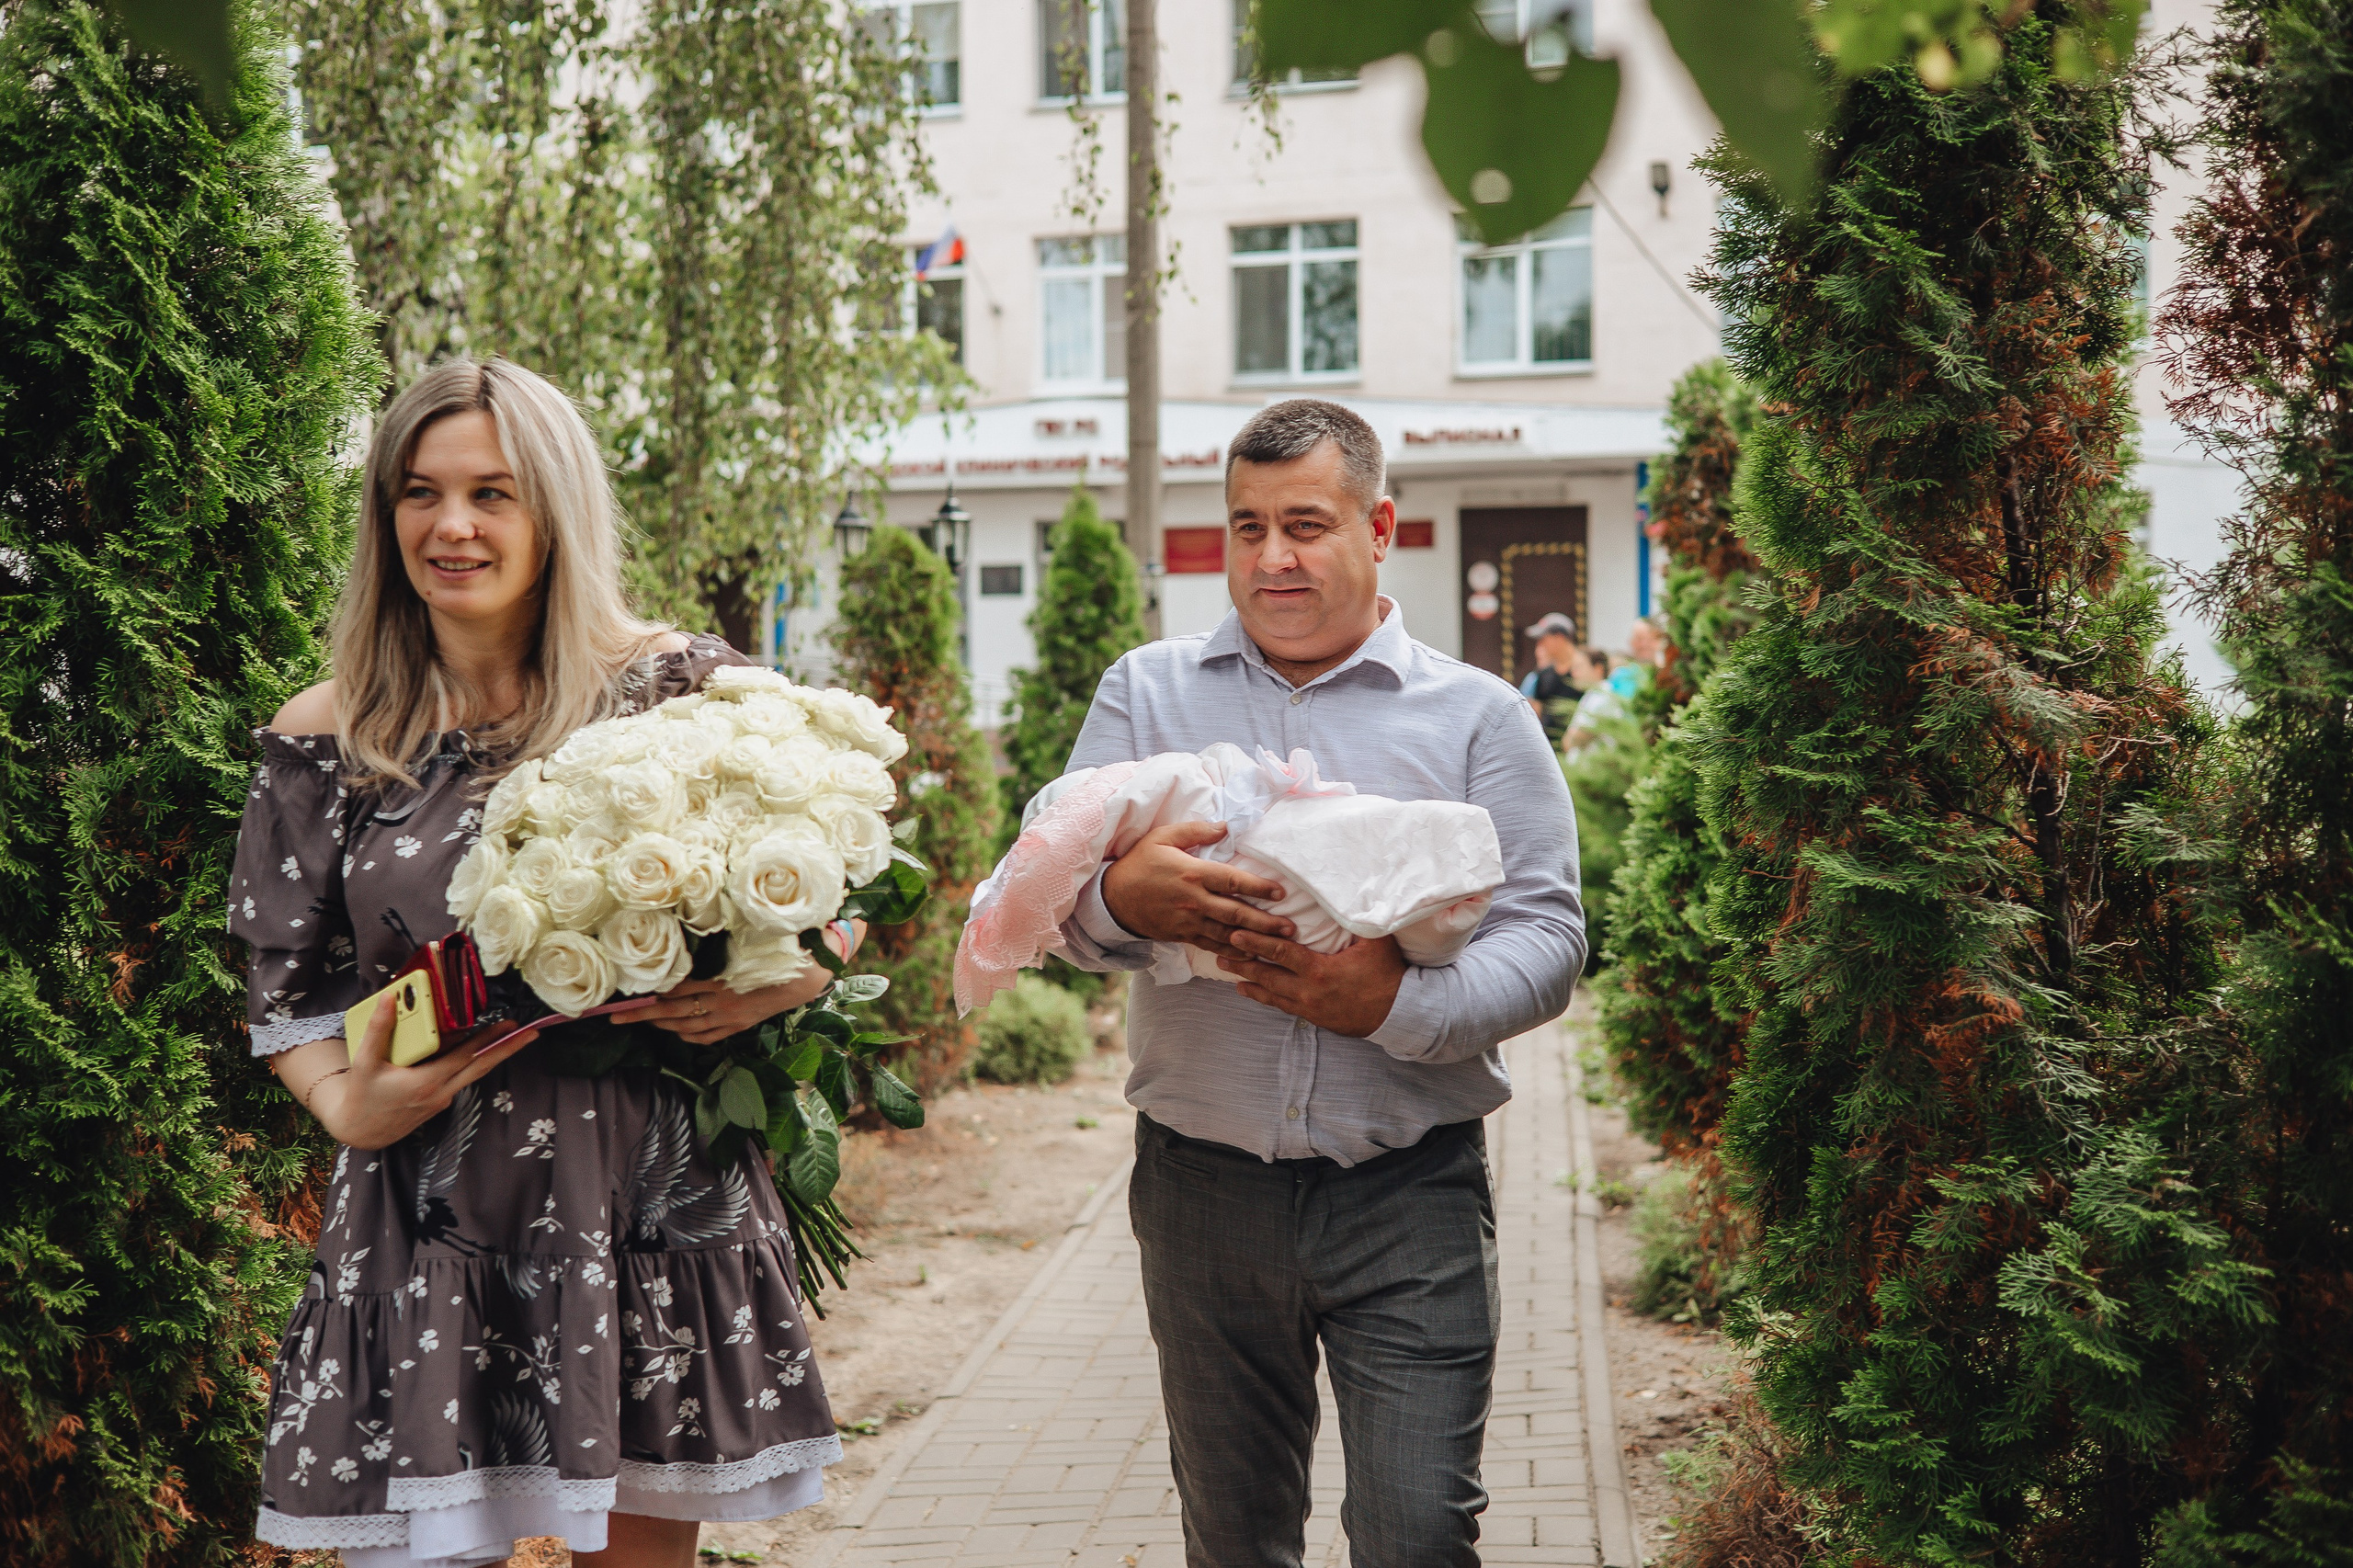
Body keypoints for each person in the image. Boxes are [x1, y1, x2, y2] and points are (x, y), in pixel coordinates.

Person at [234, 359, 858, 1568]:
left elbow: (841, 879)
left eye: (492, 493)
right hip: (430, 1216)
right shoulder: (331, 730)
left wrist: (798, 972)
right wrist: (344, 1099)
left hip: (646, 1204)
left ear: (555, 508)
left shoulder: (682, 691)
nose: (451, 525)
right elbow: (287, 986)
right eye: (420, 492)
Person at [1055, 398, 1586, 1566]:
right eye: (1247, 527)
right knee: (1234, 1537)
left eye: (1304, 524)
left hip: (1410, 1189)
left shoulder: (1480, 718)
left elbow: (1548, 937)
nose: (1272, 557)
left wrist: (1392, 1006)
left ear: (1377, 526)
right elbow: (1052, 901)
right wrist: (1121, 901)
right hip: (1200, 1191)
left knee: (1416, 1531)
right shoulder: (1145, 694)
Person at [1517, 609, 1585, 747]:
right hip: (1550, 747)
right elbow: (1536, 710)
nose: (1540, 645)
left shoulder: (1584, 671)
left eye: (1543, 639)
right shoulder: (1544, 674)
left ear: (1559, 638)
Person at [1562, 644, 1623, 755]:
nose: (1573, 673)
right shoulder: (1592, 694)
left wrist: (1570, 739)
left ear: (1598, 669)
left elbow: (1576, 738)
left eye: (1579, 667)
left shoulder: (1603, 695)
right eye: (1573, 668)